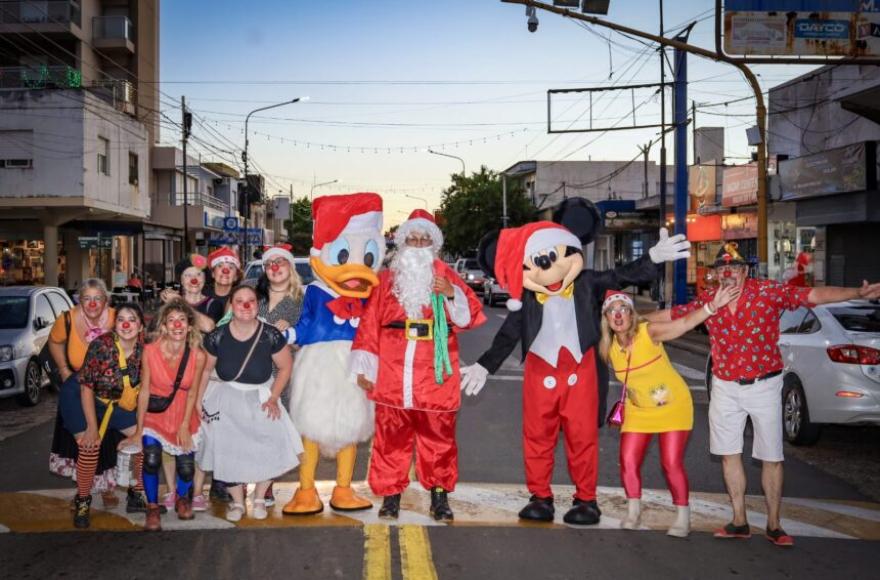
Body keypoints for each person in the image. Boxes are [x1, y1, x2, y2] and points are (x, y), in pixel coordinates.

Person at [460, 200, 690, 525]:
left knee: (582, 438)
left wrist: (652, 258)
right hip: (541, 373)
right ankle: (540, 496)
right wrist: (484, 365)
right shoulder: (527, 298)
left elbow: (621, 274)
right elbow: (508, 335)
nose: (549, 271)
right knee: (537, 436)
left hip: (580, 371)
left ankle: (586, 500)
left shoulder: (587, 284)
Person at [648, 242, 880, 547]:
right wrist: (626, 318)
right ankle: (739, 520)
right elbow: (673, 316)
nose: (728, 273)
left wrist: (856, 293)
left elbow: (812, 296)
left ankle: (774, 524)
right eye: (721, 269)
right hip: (725, 386)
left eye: (734, 267)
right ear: (716, 274)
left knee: (771, 456)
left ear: (745, 271)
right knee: (729, 454)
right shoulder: (709, 300)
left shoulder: (768, 292)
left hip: (765, 385)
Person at [351, 209, 485, 521]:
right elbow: (369, 324)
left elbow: (470, 316)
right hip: (393, 372)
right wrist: (365, 368)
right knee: (390, 439)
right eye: (413, 237)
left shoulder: (446, 275)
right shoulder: (386, 279)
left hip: (435, 372)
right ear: (403, 242)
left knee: (439, 438)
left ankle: (439, 496)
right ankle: (391, 496)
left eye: (425, 239)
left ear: (433, 244)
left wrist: (451, 294)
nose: (419, 242)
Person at [599, 286, 739, 537]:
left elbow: (683, 324)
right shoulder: (608, 347)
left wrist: (711, 307)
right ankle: (633, 513)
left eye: (622, 309)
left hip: (673, 407)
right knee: (629, 461)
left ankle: (683, 517)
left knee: (671, 463)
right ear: (606, 318)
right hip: (639, 410)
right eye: (611, 311)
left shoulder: (648, 332)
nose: (618, 315)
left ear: (631, 314)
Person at [281, 193, 384, 516]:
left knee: (351, 427)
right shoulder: (316, 290)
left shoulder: (371, 295)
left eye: (367, 257)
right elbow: (306, 323)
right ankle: (306, 489)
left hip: (357, 362)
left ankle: (343, 488)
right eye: (344, 254)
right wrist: (285, 335)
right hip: (320, 364)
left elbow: (379, 327)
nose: (356, 267)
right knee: (312, 426)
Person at [197, 285, 303, 522]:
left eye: (251, 301)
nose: (246, 306)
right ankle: (236, 501)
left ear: (257, 304)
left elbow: (286, 367)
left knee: (270, 445)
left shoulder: (270, 334)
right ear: (231, 306)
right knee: (228, 450)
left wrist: (274, 397)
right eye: (240, 301)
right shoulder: (217, 335)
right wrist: (197, 403)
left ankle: (258, 497)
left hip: (261, 396)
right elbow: (205, 371)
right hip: (227, 398)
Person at [60, 303, 146, 528]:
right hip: (79, 397)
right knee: (90, 446)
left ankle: (136, 494)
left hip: (114, 403)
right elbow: (86, 388)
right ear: (114, 324)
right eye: (121, 319)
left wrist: (139, 429)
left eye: (132, 319)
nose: (126, 324)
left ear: (141, 326)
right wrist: (91, 427)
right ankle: (83, 499)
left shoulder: (145, 350)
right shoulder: (102, 345)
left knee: (144, 442)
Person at [134, 299, 206, 531]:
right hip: (156, 414)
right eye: (171, 321)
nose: (177, 325)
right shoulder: (150, 351)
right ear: (163, 326)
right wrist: (138, 429)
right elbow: (144, 390)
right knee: (152, 459)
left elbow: (193, 391)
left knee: (186, 467)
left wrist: (185, 424)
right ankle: (153, 507)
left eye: (182, 320)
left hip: (183, 413)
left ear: (189, 326)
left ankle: (182, 498)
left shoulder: (197, 355)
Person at [48, 279, 121, 505]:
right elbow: (54, 341)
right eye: (86, 298)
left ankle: (108, 487)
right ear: (79, 299)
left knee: (108, 438)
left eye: (97, 298)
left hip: (108, 387)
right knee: (80, 441)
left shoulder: (117, 317)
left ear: (105, 300)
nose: (92, 303)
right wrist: (63, 368)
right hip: (76, 387)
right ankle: (83, 491)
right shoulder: (68, 318)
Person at [252, 243, 304, 507]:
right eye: (270, 264)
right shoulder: (254, 298)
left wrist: (292, 334)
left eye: (280, 262)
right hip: (251, 373)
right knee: (252, 429)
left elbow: (308, 339)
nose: (275, 268)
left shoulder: (301, 300)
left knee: (274, 431)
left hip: (283, 375)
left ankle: (267, 485)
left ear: (290, 267)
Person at [160, 255, 217, 333]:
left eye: (199, 274)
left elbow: (208, 327)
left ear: (204, 279)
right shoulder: (170, 301)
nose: (194, 279)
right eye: (188, 275)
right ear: (182, 280)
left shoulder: (213, 304)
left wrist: (180, 301)